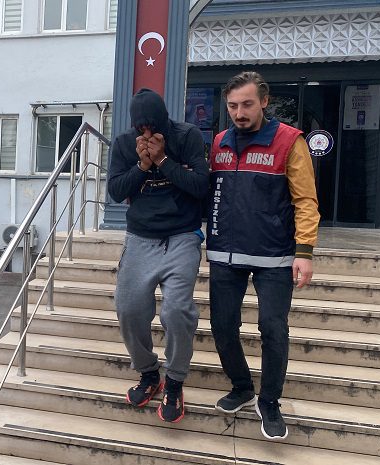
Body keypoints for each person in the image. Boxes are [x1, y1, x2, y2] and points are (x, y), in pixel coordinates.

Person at [207, 71, 319, 440]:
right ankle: (242, 386)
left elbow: (305, 201)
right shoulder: (220, 142)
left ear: (264, 101)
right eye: (232, 106)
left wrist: (304, 252)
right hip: (225, 254)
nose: (239, 113)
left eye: (247, 104)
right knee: (222, 326)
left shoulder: (290, 141)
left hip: (275, 256)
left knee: (273, 329)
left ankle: (269, 401)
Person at [107, 88, 209, 423]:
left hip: (182, 235)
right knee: (128, 307)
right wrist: (142, 165)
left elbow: (200, 186)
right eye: (142, 128)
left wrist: (163, 161)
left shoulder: (187, 136)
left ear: (164, 120)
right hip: (140, 236)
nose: (148, 133)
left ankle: (175, 382)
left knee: (177, 310)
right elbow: (116, 191)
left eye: (154, 126)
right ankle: (149, 373)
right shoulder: (124, 143)